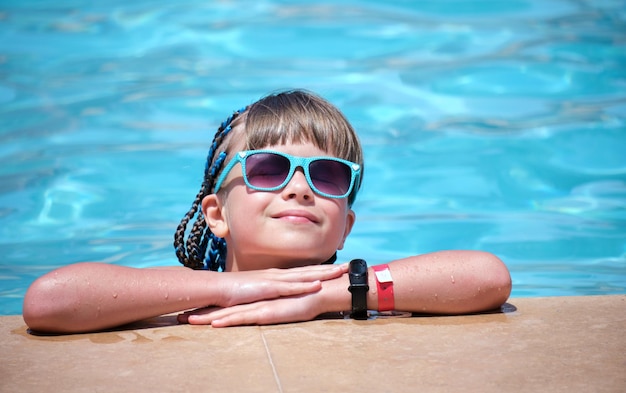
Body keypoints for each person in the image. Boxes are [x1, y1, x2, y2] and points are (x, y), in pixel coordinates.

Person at [23, 89, 512, 334]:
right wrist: (227, 287)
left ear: (346, 225)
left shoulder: (350, 299)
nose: (299, 188)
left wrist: (327, 297)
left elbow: (486, 276)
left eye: (328, 175)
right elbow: (49, 301)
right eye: (267, 167)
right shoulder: (177, 302)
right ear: (216, 214)